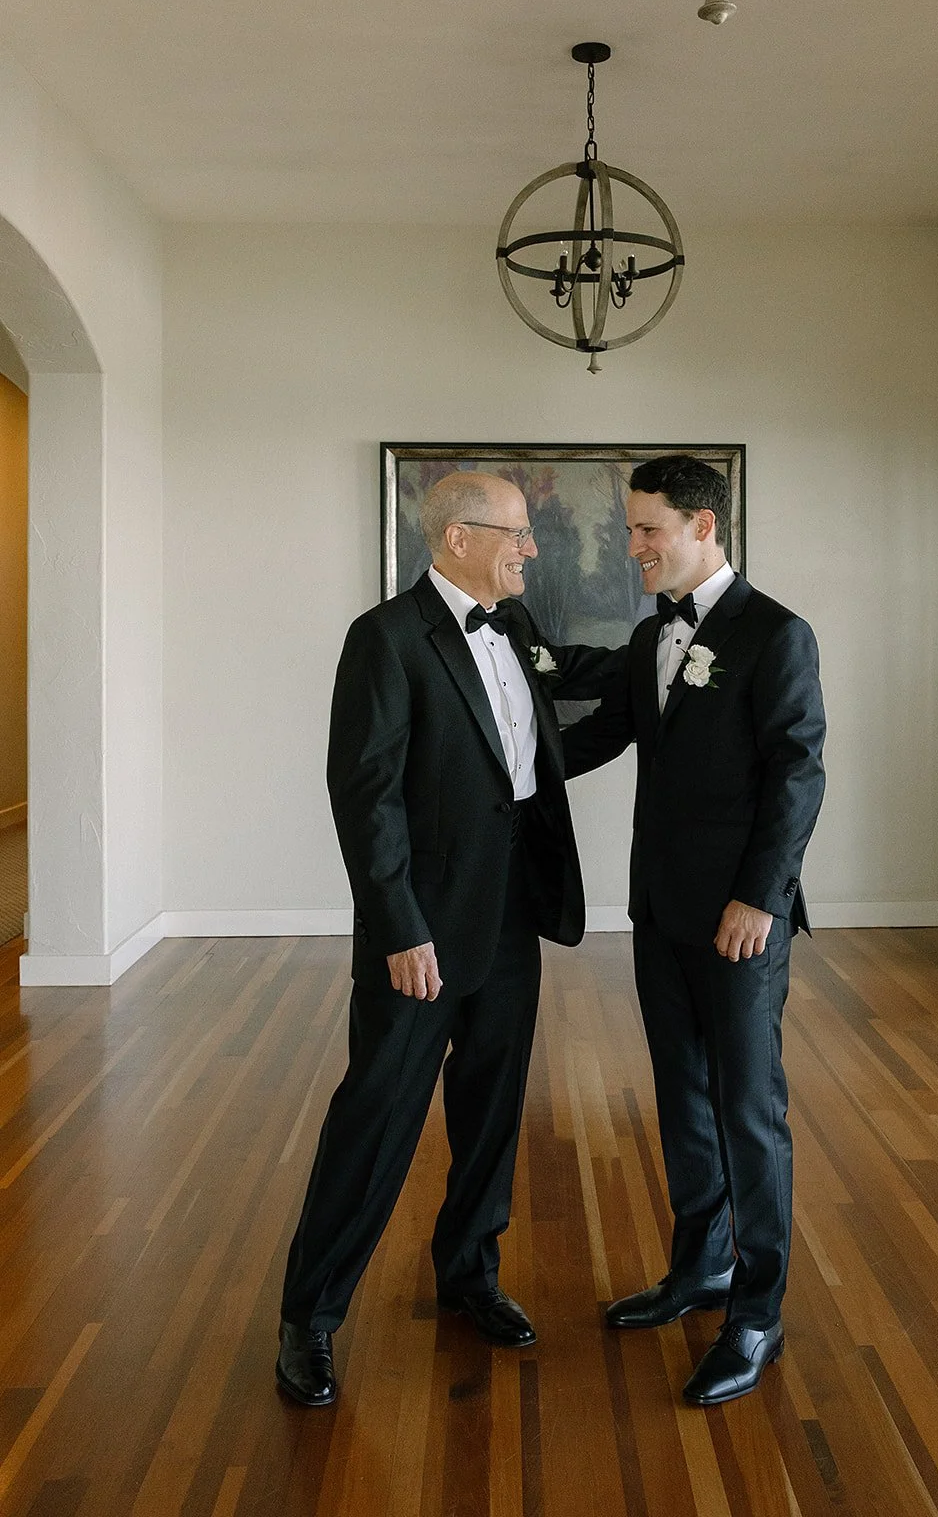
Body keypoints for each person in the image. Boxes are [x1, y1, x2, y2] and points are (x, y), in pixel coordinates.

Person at [277, 471, 618, 1407]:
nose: (532, 549)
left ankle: (469, 1274)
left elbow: (528, 749)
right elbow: (366, 798)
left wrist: (669, 669)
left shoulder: (514, 625)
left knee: (491, 1107)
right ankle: (309, 1315)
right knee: (378, 1113)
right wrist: (398, 928)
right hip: (421, 930)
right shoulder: (384, 638)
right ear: (458, 538)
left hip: (511, 912)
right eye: (516, 533)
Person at [561, 455, 826, 1407]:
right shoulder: (650, 637)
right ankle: (700, 1267)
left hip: (739, 920)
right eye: (631, 528)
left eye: (648, 529)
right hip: (659, 910)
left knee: (747, 1108)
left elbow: (797, 774)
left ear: (702, 527)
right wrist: (492, 763)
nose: (633, 546)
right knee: (681, 1096)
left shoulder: (775, 633)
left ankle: (757, 1313)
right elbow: (601, 735)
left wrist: (759, 899)